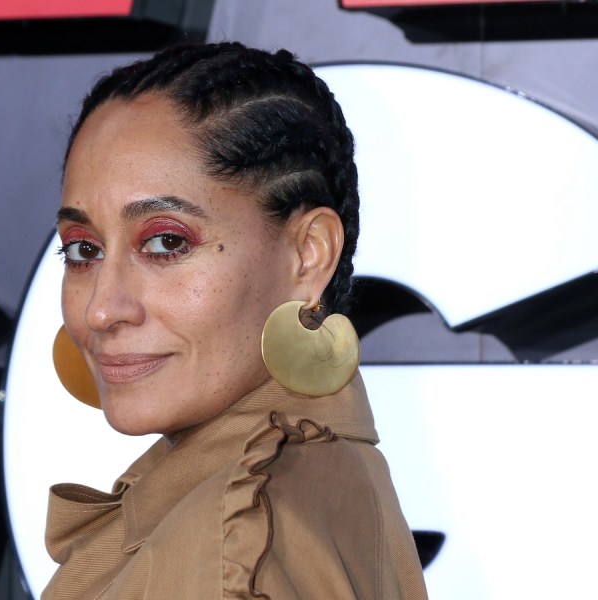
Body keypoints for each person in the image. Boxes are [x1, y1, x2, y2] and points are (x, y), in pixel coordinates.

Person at [44, 41, 428, 599]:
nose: (102, 309)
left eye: (166, 242)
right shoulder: (316, 476)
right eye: (83, 251)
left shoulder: (234, 540)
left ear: (308, 254)